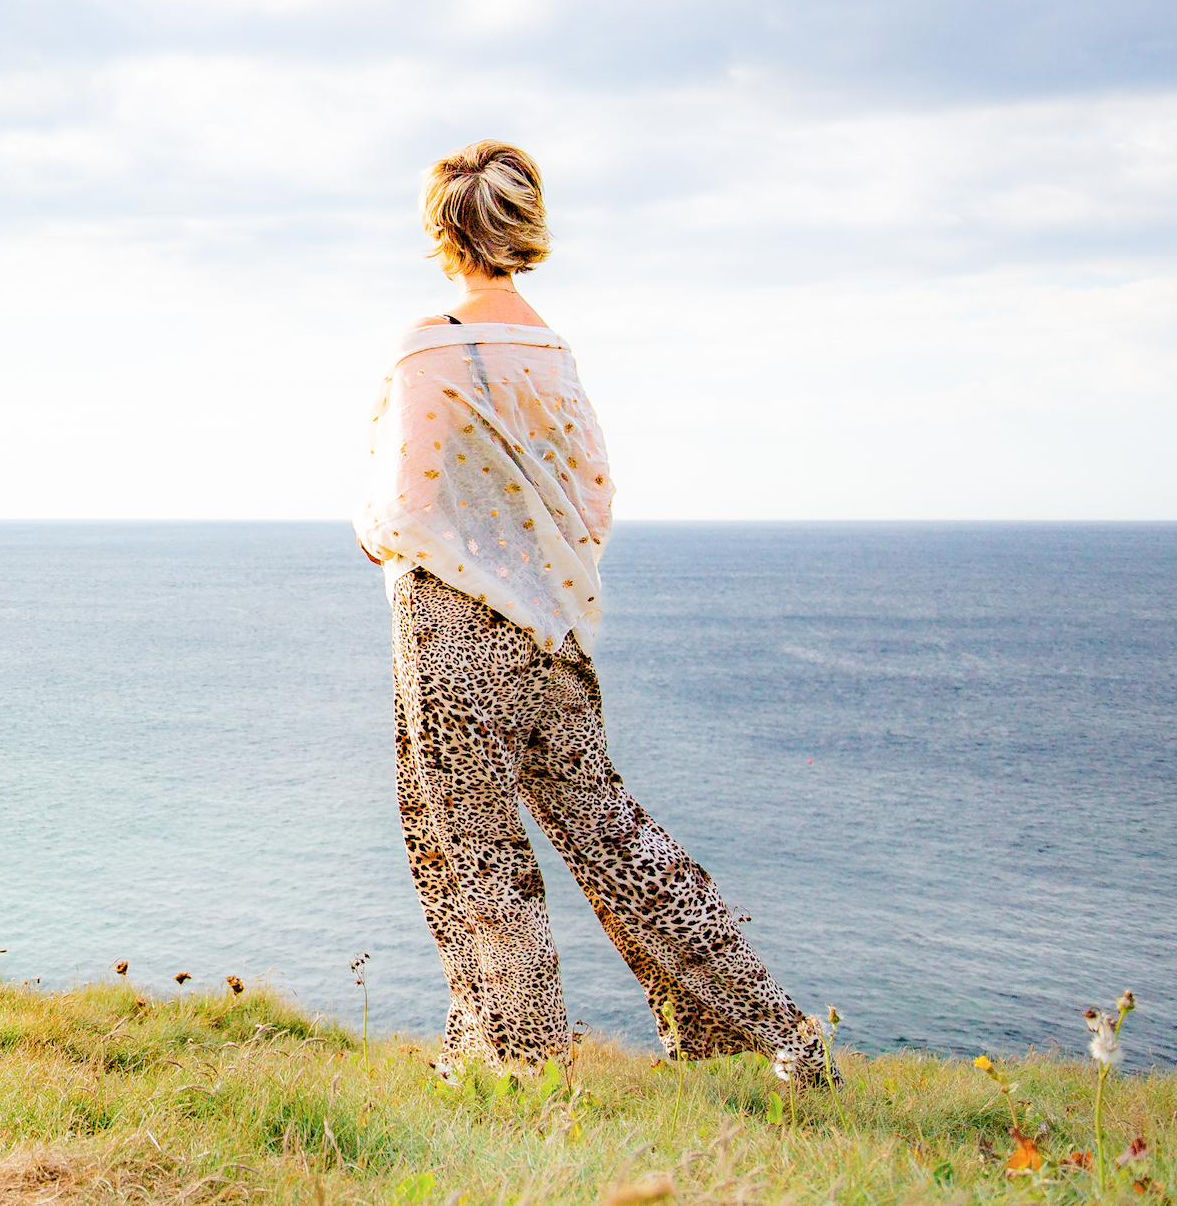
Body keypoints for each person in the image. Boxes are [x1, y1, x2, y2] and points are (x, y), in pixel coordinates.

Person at [354, 140, 835, 1081]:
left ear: (439, 231)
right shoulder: (555, 351)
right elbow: (595, 498)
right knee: (619, 840)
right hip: (555, 629)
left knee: (473, 856)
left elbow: (402, 508)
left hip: (450, 631)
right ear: (523, 228)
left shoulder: (426, 342)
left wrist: (379, 537)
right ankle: (783, 1038)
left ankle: (518, 1072)